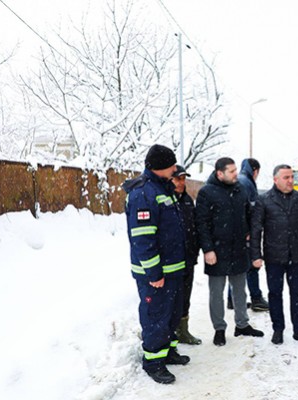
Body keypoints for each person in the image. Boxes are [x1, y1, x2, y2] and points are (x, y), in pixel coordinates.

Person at [123, 144, 190, 385]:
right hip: (156, 274)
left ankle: (167, 352)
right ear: (160, 167)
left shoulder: (163, 187)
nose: (175, 168)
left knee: (171, 315)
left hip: (172, 270)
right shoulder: (143, 193)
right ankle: (153, 361)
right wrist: (154, 272)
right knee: (156, 317)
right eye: (171, 165)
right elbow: (143, 238)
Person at [195, 157, 264, 346]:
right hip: (216, 252)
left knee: (240, 291)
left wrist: (249, 231)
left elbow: (248, 213)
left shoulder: (239, 190)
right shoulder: (206, 193)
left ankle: (242, 325)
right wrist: (208, 249)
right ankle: (219, 329)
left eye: (236, 170)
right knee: (217, 293)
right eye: (232, 171)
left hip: (239, 249)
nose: (236, 174)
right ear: (220, 173)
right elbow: (201, 224)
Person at [250, 164, 298, 345]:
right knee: (275, 294)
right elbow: (256, 230)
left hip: (296, 255)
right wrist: (256, 255)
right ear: (275, 179)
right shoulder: (264, 200)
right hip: (274, 256)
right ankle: (278, 329)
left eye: (291, 177)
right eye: (286, 178)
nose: (290, 181)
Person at [228, 158, 269, 312]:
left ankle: (231, 299)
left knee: (238, 267)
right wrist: (249, 231)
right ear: (255, 170)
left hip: (234, 232)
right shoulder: (247, 183)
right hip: (244, 233)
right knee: (251, 265)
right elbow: (248, 211)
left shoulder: (240, 180)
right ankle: (256, 298)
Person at [172, 165, 202, 345]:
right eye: (178, 179)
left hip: (188, 258)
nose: (181, 183)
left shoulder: (188, 200)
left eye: (183, 179)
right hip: (172, 260)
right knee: (171, 298)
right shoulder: (166, 200)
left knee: (185, 296)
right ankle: (168, 333)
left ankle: (183, 331)